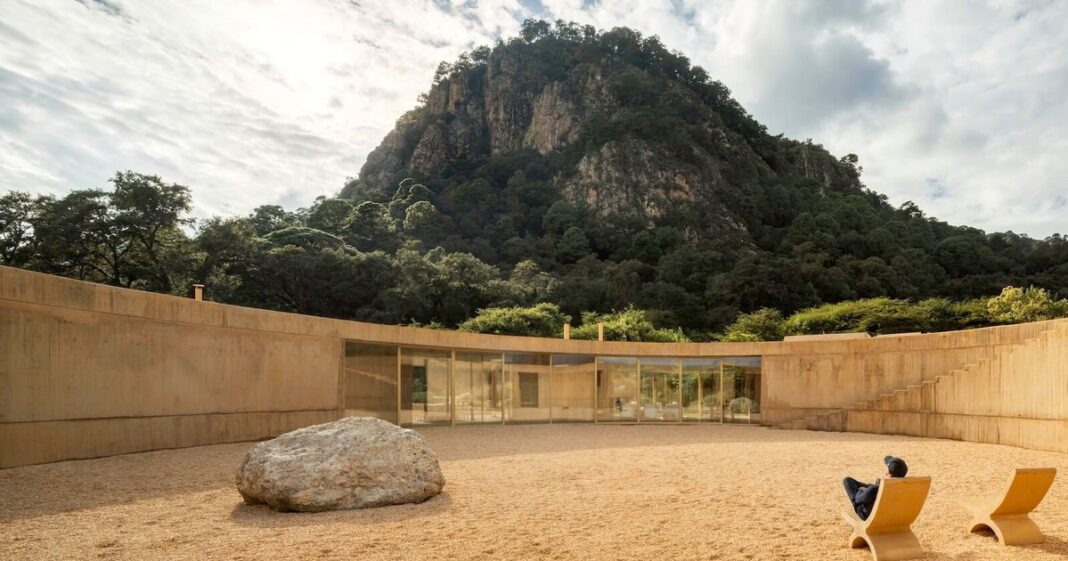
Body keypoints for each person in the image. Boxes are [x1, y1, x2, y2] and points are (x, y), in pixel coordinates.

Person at [843, 456, 909, 520]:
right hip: (890, 515)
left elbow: (858, 499)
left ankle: (865, 489)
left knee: (847, 480)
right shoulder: (902, 486)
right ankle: (868, 487)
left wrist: (861, 490)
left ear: (888, 471)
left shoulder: (876, 489)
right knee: (871, 485)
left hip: (867, 515)